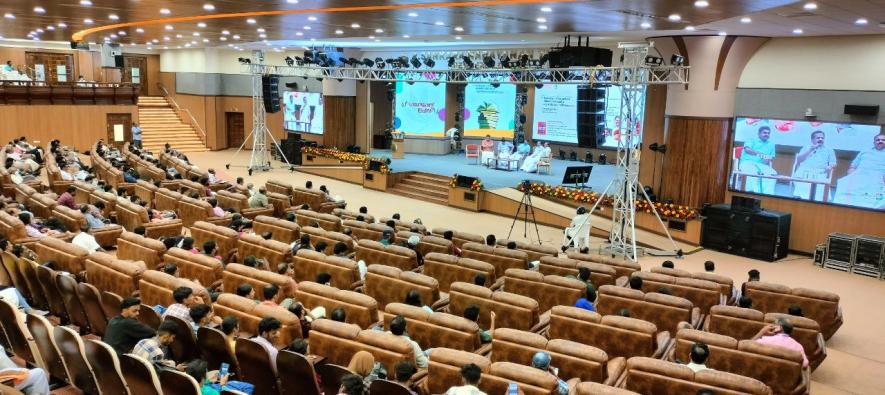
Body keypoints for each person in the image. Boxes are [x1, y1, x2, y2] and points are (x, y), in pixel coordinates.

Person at [834, 133, 885, 208]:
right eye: (878, 140)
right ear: (874, 142)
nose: (880, 141)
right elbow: (853, 166)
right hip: (860, 175)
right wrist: (851, 176)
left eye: (883, 140)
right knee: (844, 183)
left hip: (878, 176)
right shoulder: (865, 152)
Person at [792, 130, 836, 201]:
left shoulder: (829, 150)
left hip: (821, 172)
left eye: (822, 138)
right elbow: (799, 160)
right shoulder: (806, 147)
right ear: (812, 139)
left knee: (820, 191)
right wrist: (810, 150)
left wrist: (830, 166)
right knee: (802, 187)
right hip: (804, 172)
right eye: (818, 138)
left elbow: (833, 162)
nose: (820, 139)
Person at [739, 125, 778, 195]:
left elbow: (771, 157)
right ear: (759, 133)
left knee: (773, 173)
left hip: (762, 165)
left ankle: (767, 194)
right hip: (747, 162)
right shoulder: (751, 140)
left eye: (768, 133)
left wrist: (767, 160)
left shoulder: (771, 145)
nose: (767, 134)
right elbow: (747, 150)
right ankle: (752, 192)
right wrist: (760, 155)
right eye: (765, 133)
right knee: (754, 172)